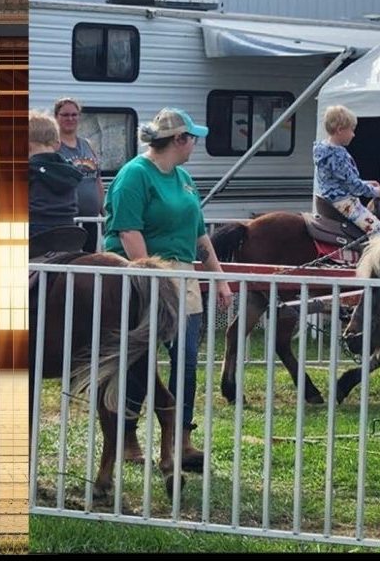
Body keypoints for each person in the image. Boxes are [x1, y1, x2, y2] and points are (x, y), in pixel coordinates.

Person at [104, 107, 233, 464]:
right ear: (179, 140)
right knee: (137, 360)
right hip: (144, 276)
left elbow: (198, 234)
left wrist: (219, 277)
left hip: (183, 275)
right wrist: (151, 281)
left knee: (186, 359)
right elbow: (128, 231)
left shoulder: (184, 178)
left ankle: (181, 438)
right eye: (192, 138)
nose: (195, 144)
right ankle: (127, 438)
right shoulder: (134, 175)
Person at [313, 105, 380, 235]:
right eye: (351, 130)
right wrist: (377, 192)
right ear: (340, 130)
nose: (353, 135)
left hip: (329, 199)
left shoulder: (322, 149)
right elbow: (353, 186)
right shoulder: (338, 155)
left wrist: (367, 183)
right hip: (344, 203)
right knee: (379, 231)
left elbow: (341, 181)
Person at [54, 97, 104, 253]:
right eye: (65, 115)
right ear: (56, 117)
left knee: (89, 265)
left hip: (91, 221)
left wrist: (104, 213)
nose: (70, 118)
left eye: (74, 115)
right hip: (68, 221)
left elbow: (97, 181)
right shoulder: (53, 146)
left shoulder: (87, 144)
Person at [28, 110, 83, 237]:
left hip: (35, 231)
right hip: (69, 231)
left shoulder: (29, 170)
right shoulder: (69, 171)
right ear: (57, 144)